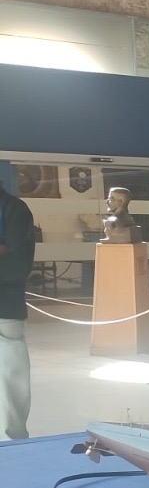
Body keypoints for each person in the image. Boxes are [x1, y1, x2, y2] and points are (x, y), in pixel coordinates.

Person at [0, 185, 36, 441]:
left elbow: (18, 264)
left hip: (5, 310)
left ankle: (14, 440)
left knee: (10, 381)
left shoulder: (13, 210)